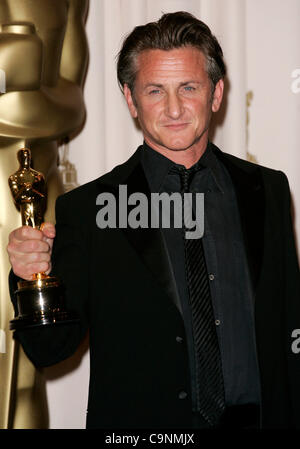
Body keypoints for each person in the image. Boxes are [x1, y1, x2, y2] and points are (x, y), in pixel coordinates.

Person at [7, 11, 300, 429]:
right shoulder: (88, 209)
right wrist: (28, 275)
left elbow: (289, 327)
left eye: (189, 87)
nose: (175, 108)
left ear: (216, 94)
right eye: (155, 90)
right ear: (131, 100)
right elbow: (49, 349)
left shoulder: (267, 190)